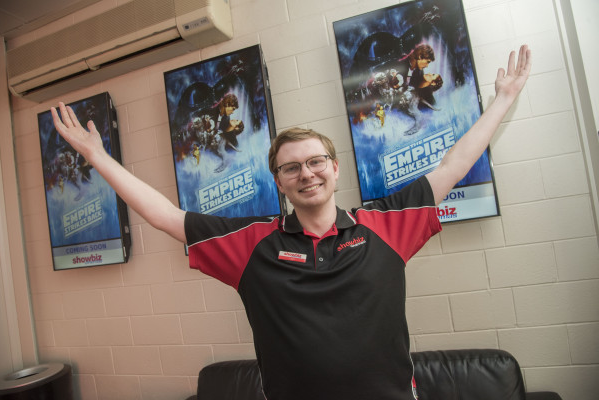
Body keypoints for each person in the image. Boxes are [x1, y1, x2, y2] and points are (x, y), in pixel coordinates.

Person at [51, 45, 531, 400]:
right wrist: (97, 156)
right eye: (291, 167)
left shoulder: (384, 225)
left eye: (316, 162)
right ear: (279, 181)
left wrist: (503, 100)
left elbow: (452, 166)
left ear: (335, 169)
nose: (307, 174)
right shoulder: (252, 244)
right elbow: (163, 216)